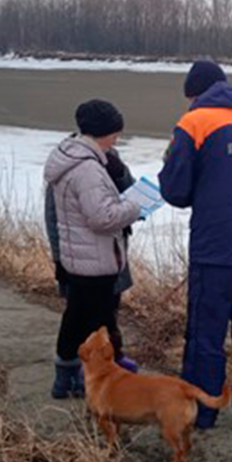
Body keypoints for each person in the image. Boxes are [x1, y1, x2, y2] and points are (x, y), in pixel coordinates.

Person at [159, 60, 232, 435]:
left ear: (193, 94)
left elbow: (176, 190)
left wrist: (169, 165)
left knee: (206, 333)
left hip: (216, 247)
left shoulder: (194, 122)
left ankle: (202, 412)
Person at [44, 99, 142, 399]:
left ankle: (73, 375)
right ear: (104, 132)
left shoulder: (75, 157)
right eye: (115, 133)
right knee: (88, 318)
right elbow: (102, 217)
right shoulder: (87, 169)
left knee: (81, 315)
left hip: (81, 256)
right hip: (93, 259)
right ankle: (80, 379)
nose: (117, 139)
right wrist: (134, 207)